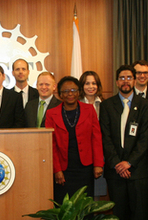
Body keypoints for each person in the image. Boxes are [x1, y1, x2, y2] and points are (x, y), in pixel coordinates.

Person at [45, 76, 104, 204]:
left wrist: (98, 164)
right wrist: (57, 170)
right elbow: (51, 144)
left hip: (85, 168)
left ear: (78, 92)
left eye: (73, 90)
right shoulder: (51, 113)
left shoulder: (89, 110)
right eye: (66, 91)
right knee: (64, 206)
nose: (70, 94)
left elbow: (96, 138)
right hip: (64, 169)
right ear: (60, 94)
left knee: (84, 206)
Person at [100, 65, 148, 220]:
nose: (125, 81)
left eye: (129, 78)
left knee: (140, 213)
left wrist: (129, 162)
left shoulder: (144, 105)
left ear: (134, 81)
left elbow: (145, 138)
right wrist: (117, 164)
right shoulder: (106, 105)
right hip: (115, 172)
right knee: (119, 214)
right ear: (116, 82)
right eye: (122, 78)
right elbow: (105, 138)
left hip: (138, 171)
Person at [79, 71, 106, 200]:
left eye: (94, 83)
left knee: (97, 194)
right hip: (82, 154)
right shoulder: (76, 105)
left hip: (101, 153)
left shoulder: (105, 104)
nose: (91, 86)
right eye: (87, 83)